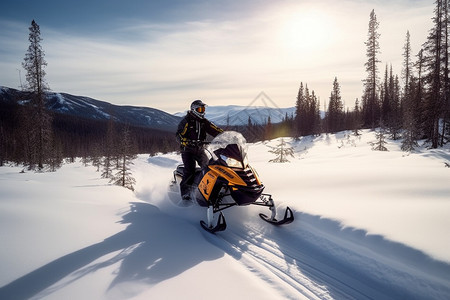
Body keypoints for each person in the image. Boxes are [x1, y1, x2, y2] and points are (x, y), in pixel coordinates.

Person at [176, 100, 223, 201]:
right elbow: (179, 134)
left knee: (208, 168)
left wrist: (224, 135)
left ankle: (208, 189)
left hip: (200, 149)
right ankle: (185, 193)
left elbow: (214, 130)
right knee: (190, 170)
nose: (202, 111)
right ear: (193, 110)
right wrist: (184, 141)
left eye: (203, 109)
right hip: (187, 150)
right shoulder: (187, 121)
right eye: (200, 109)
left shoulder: (204, 122)